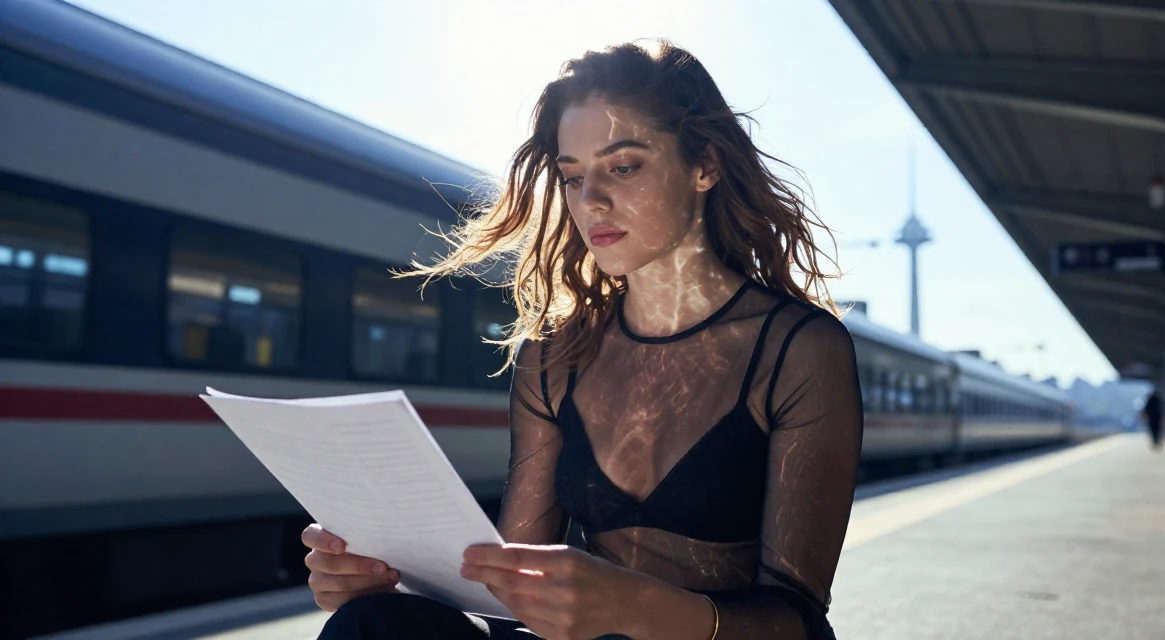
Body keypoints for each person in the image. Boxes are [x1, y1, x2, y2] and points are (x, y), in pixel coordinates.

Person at [306, 40, 863, 640]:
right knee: (370, 623)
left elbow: (798, 621)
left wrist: (638, 610)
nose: (590, 200)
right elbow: (509, 597)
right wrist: (384, 579)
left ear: (705, 166)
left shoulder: (799, 350)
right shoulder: (555, 358)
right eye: (573, 177)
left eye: (623, 167)